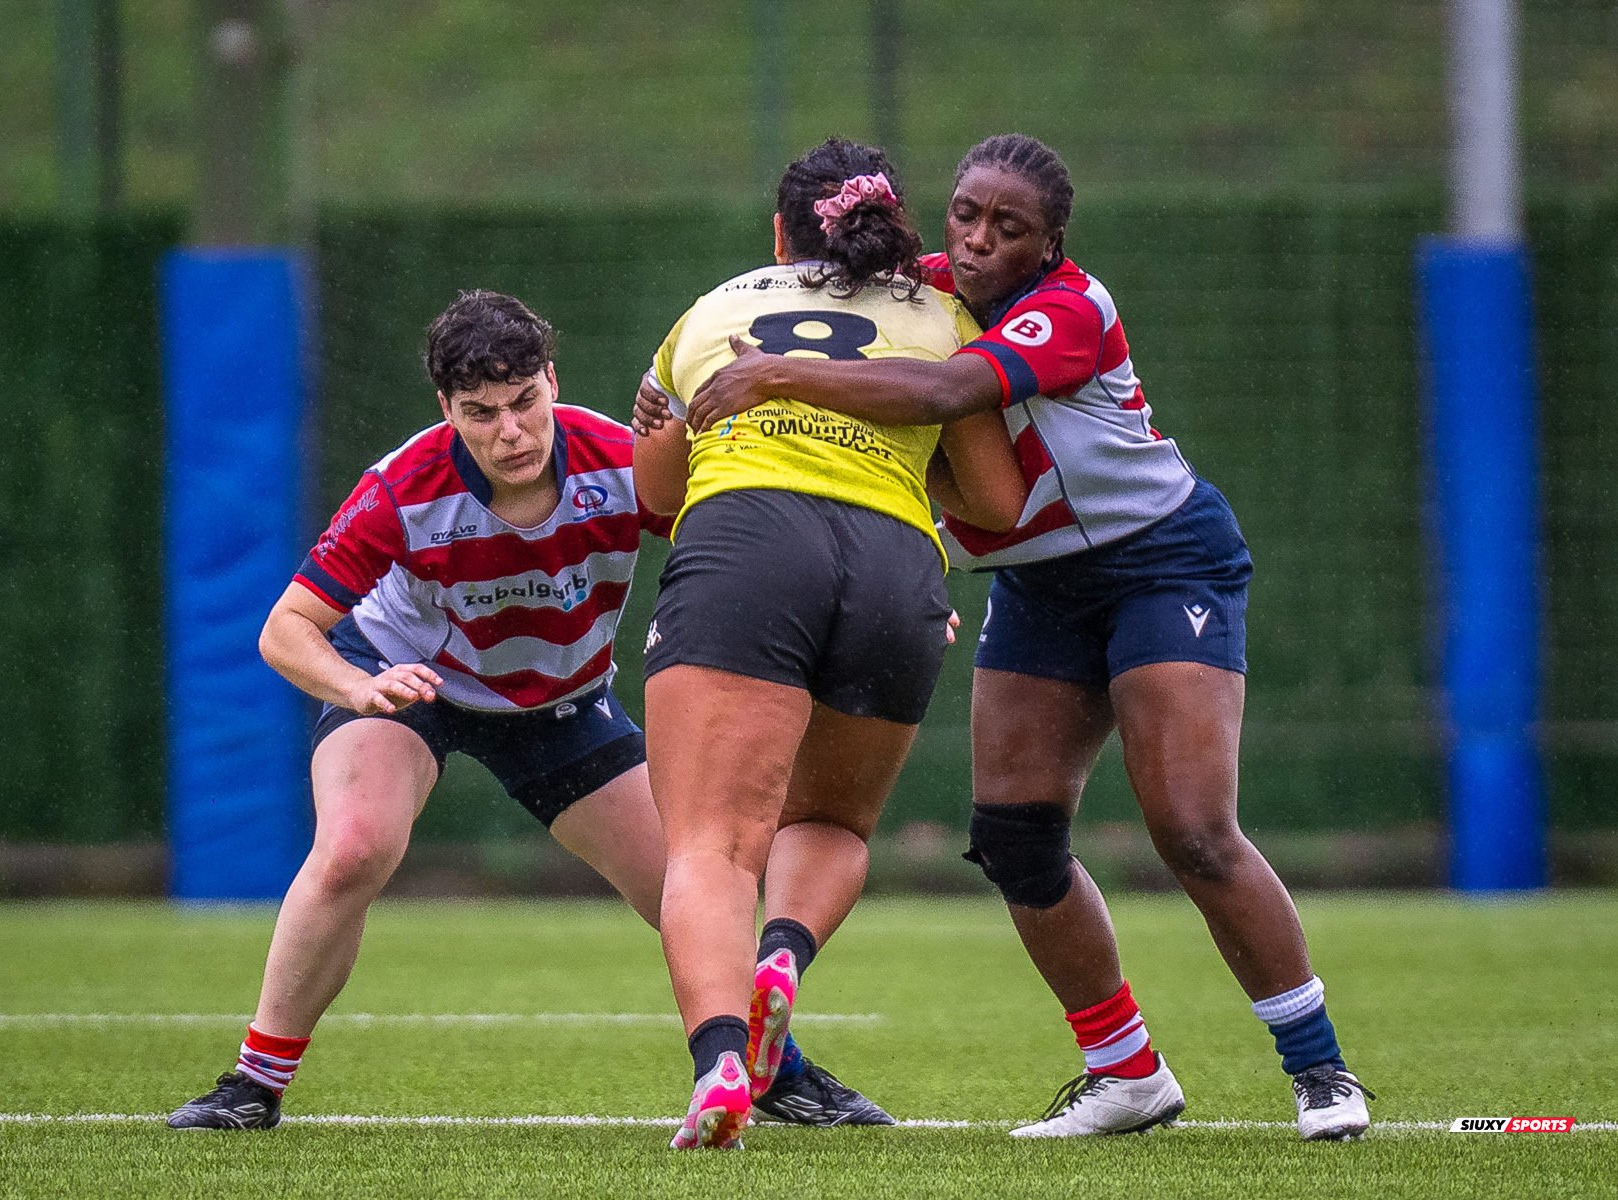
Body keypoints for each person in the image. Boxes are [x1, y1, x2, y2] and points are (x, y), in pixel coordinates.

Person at [680, 134, 1374, 1143]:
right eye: (964, 213)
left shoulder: (1071, 308)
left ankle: (1320, 1072)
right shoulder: (918, 285)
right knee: (1012, 839)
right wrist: (670, 393)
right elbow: (793, 311)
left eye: (1008, 229)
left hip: (1160, 561)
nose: (976, 241)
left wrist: (777, 377)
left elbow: (944, 395)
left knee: (1191, 827)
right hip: (1037, 584)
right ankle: (1125, 1072)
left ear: (1050, 246)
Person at [166, 290, 875, 1130]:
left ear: (552, 381)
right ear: (447, 410)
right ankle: (253, 1084)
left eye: (525, 403)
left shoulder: (621, 463)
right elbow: (285, 629)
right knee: (355, 847)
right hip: (408, 682)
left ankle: (773, 1068)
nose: (510, 432)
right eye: (481, 413)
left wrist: (870, 600)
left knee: (691, 886)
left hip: (562, 701)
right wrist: (359, 691)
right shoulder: (404, 487)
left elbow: (751, 546)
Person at [631, 138, 1021, 1150]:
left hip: (749, 542)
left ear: (779, 232)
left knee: (711, 845)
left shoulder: (711, 312)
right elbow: (998, 501)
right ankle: (785, 953)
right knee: (835, 826)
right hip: (896, 567)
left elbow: (656, 499)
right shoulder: (946, 319)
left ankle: (722, 1063)